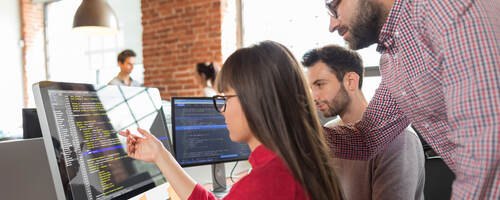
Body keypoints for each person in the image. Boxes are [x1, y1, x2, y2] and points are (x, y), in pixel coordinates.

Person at [118, 41, 345, 200]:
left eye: (226, 97)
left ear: (256, 100)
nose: (222, 109)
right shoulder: (299, 162)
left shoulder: (264, 184)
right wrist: (161, 155)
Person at [322, 0, 500, 198]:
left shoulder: (447, 9)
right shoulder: (393, 59)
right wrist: (294, 132)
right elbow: (368, 139)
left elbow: (490, 153)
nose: (332, 26)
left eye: (333, 8)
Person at [303, 44, 425, 200]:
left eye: (320, 85)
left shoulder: (399, 138)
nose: (314, 96)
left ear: (350, 81)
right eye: (311, 88)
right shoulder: (330, 129)